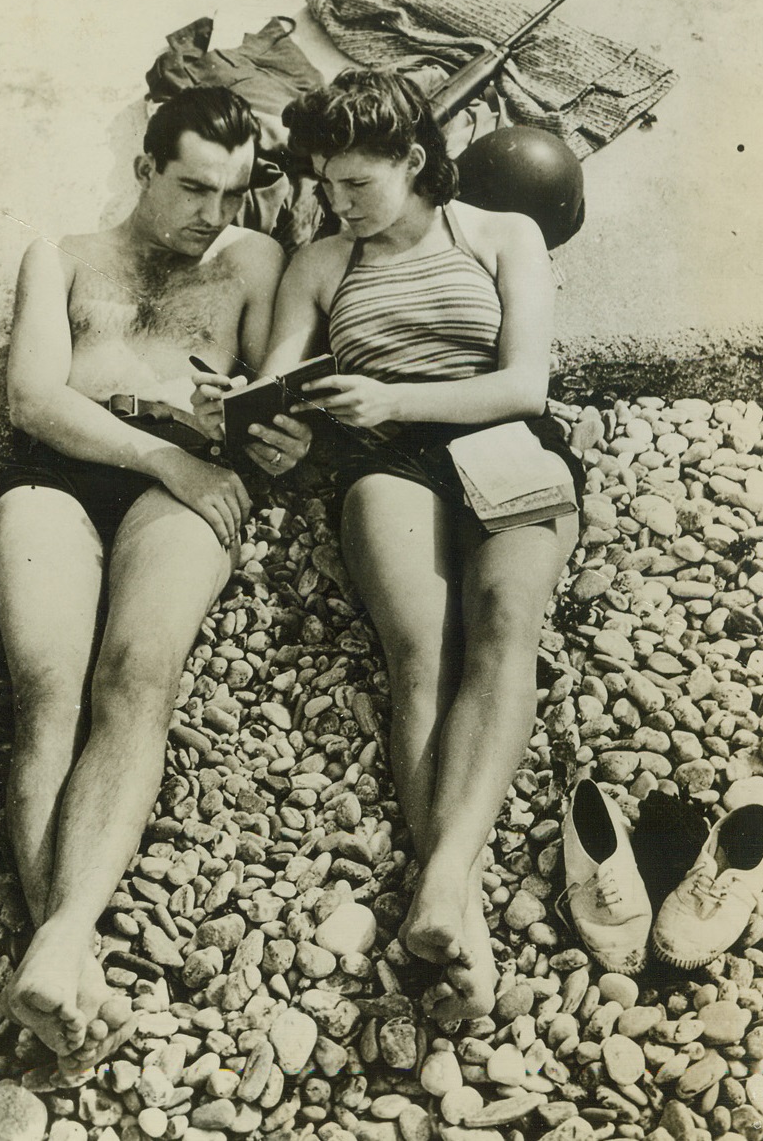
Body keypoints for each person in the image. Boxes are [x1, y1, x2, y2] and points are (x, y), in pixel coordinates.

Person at [195, 70, 584, 1020]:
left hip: (499, 439)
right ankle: (455, 904)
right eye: (326, 186)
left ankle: (443, 881)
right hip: (383, 462)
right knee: (420, 656)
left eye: (358, 185)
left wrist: (395, 396)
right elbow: (279, 378)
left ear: (415, 161)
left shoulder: (501, 234)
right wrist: (252, 420)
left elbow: (524, 383)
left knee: (503, 625)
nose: (339, 205)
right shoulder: (323, 263)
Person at [0, 85, 308, 1066]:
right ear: (143, 170)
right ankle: (70, 951)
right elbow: (35, 399)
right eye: (191, 188)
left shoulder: (255, 264)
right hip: (65, 473)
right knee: (46, 690)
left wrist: (286, 439)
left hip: (189, 485)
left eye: (235, 192)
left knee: (136, 676)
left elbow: (281, 393)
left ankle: (56, 945)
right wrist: (163, 451)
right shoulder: (63, 257)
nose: (212, 215)